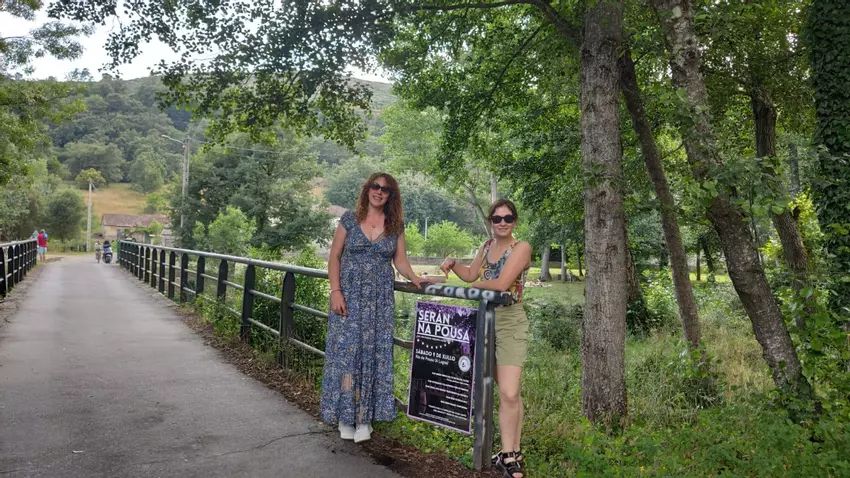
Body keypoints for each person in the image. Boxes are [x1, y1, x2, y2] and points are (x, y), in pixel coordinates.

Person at [320, 172, 433, 444]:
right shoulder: (349, 219)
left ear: (391, 196)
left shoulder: (395, 225)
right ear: (367, 189)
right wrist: (336, 291)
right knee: (347, 355)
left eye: (385, 189)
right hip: (348, 298)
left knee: (374, 355)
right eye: (375, 186)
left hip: (379, 302)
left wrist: (415, 278)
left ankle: (364, 419)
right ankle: (345, 417)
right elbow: (334, 256)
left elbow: (400, 261)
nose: (379, 191)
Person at [440, 199, 531, 478]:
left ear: (515, 220)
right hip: (484, 320)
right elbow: (470, 274)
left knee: (510, 392)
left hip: (510, 321)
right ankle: (513, 452)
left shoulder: (522, 247)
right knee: (504, 391)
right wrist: (454, 265)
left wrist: (475, 288)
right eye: (497, 218)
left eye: (508, 218)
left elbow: (501, 284)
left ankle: (508, 454)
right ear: (490, 221)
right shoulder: (486, 246)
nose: (502, 223)